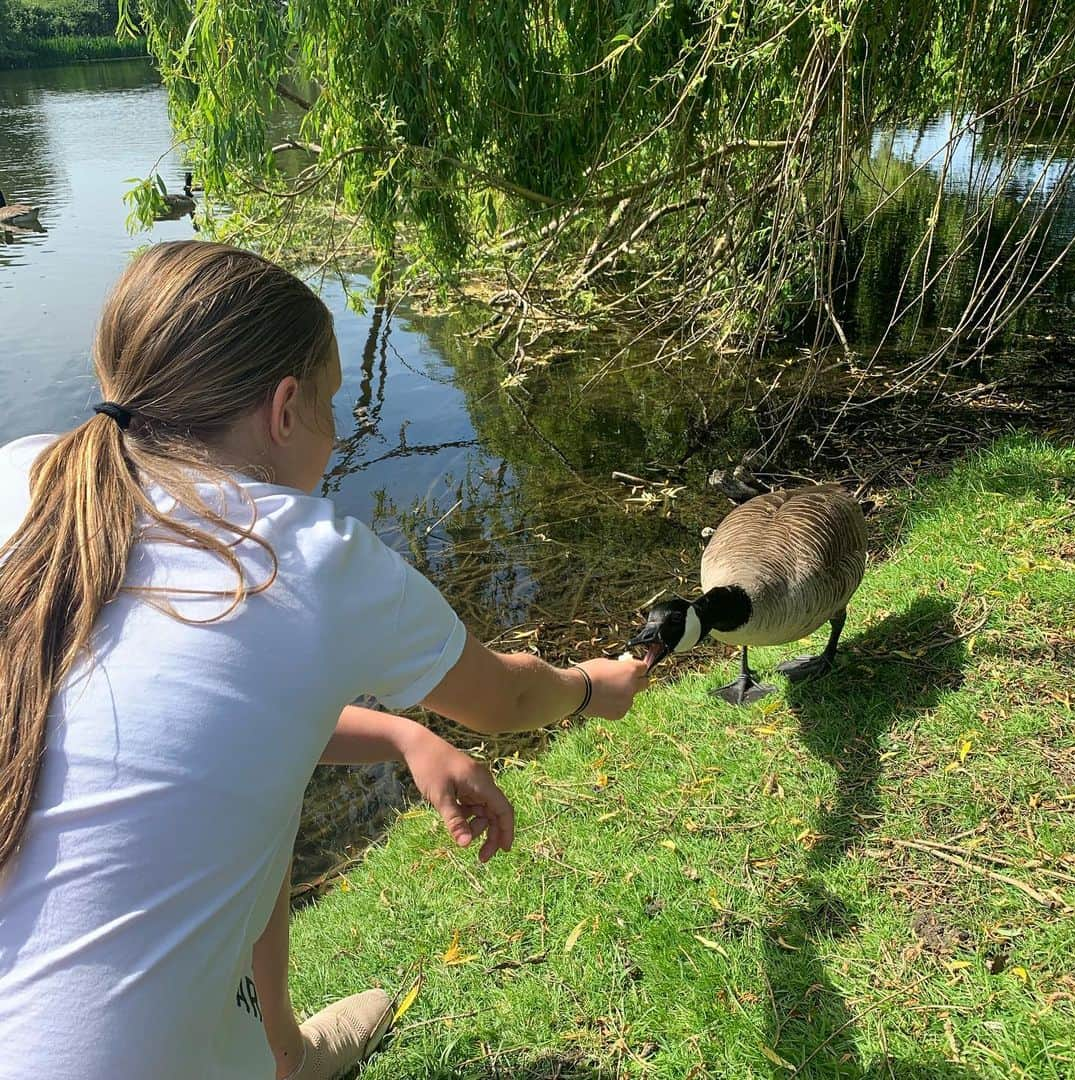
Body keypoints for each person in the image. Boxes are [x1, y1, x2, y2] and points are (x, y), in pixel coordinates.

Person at [0, 241, 649, 1080]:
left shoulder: (28, 475)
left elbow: (200, 719)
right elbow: (506, 701)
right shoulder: (308, 557)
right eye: (332, 404)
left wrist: (405, 739)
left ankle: (285, 1052)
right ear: (284, 409)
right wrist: (592, 688)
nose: (336, 438)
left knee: (261, 797)